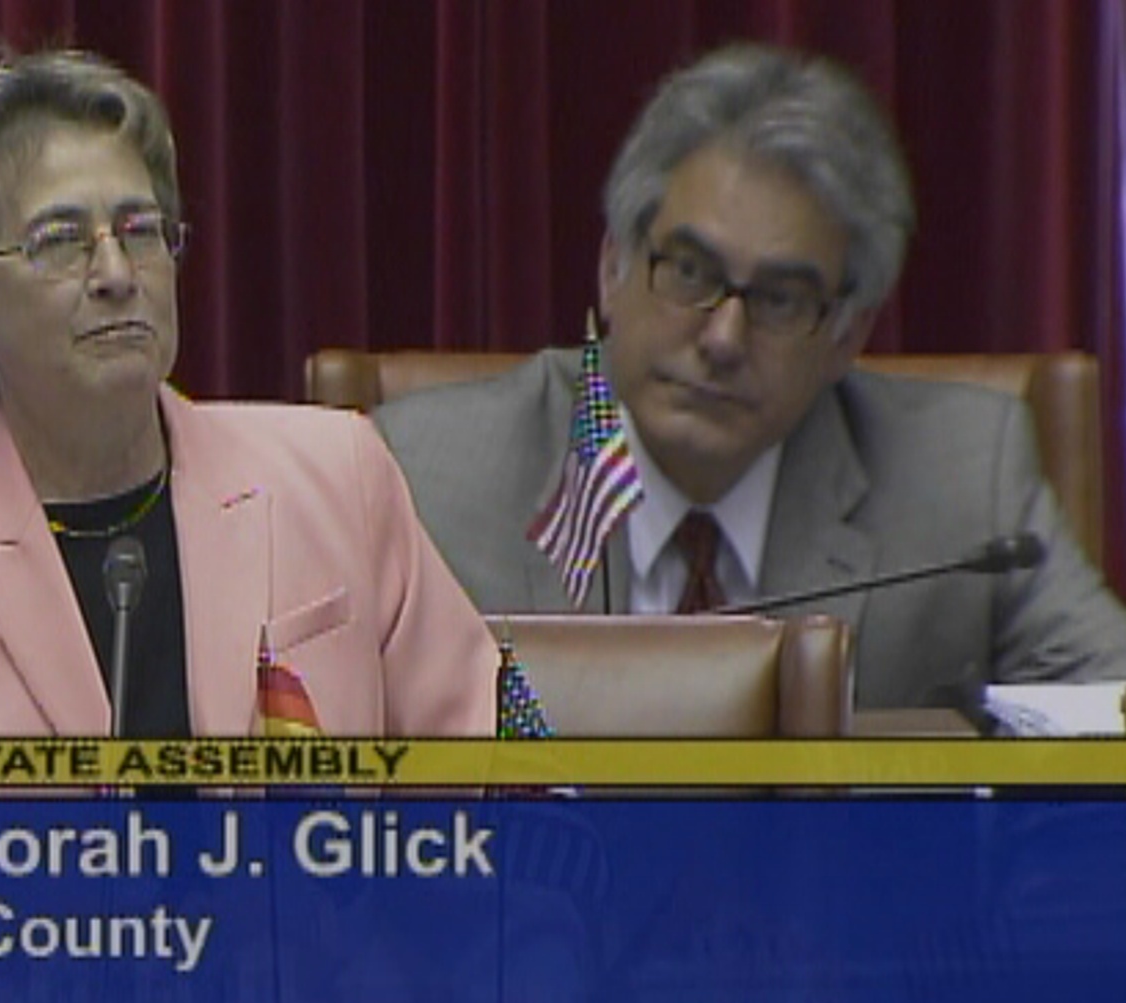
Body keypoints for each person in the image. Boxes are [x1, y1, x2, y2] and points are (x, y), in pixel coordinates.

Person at [375, 42, 1126, 710]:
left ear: (847, 334)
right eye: (689, 271)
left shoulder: (961, 485)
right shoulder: (426, 481)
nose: (723, 339)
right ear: (613, 269)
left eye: (779, 299)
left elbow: (1111, 705)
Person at [0, 49, 498, 736]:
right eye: (60, 240)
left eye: (140, 231)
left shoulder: (340, 477)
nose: (117, 274)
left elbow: (493, 772)